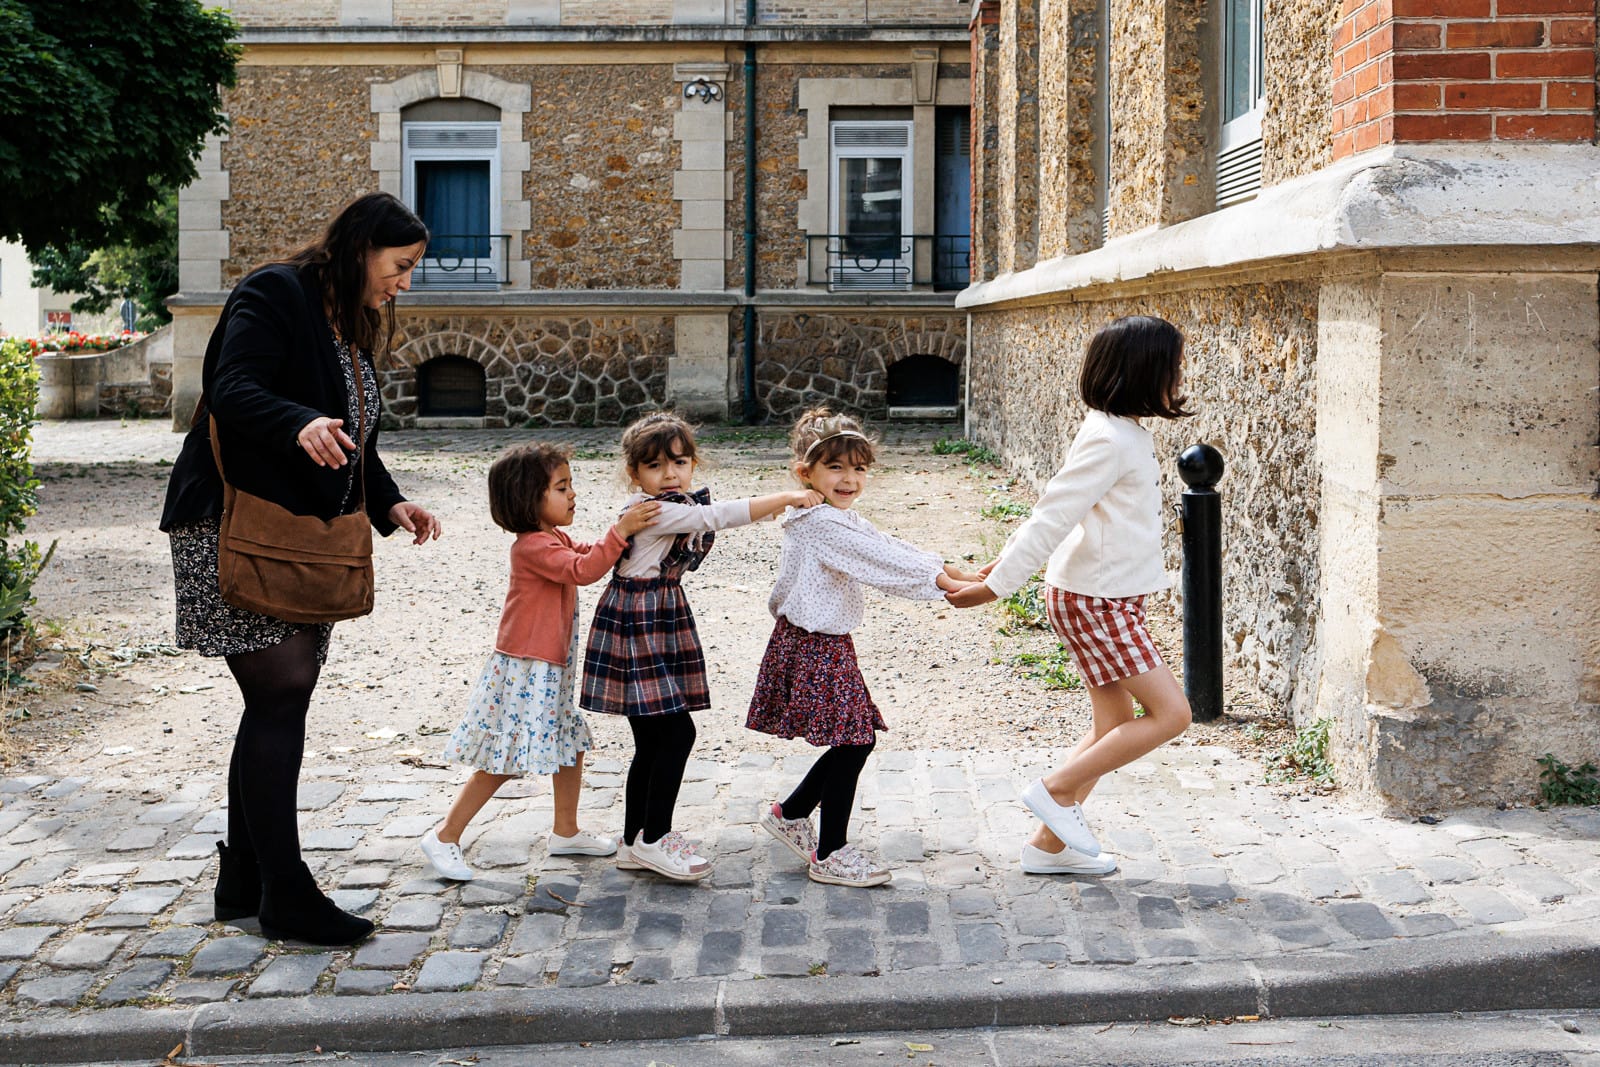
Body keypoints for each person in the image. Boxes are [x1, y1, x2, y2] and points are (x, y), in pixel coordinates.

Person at [159, 192, 442, 945]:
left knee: (275, 700)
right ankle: (284, 892)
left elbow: (355, 439)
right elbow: (231, 387)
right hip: (231, 523)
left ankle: (246, 877)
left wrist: (390, 504)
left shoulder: (343, 322)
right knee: (281, 691)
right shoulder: (274, 291)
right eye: (401, 265)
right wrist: (299, 421)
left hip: (296, 539)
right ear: (360, 248)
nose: (406, 283)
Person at [945, 315, 1194, 876]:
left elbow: (1067, 512)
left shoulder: (1118, 430)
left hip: (1105, 596)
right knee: (1172, 714)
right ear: (1142, 370)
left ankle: (1045, 850)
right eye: (1173, 366)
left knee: (1112, 723)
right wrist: (996, 585)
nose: (1180, 376)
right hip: (1098, 601)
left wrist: (1000, 564)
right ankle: (1055, 791)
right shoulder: (1111, 437)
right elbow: (1052, 515)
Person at [581, 413, 822, 882]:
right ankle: (655, 838)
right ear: (636, 475)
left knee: (651, 740)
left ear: (693, 463)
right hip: (641, 621)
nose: (670, 474)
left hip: (657, 614)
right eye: (655, 466)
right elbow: (717, 516)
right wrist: (788, 496)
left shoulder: (668, 502)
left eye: (679, 462)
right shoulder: (657, 510)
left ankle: (636, 840)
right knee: (675, 735)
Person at [746, 408, 976, 888]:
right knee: (854, 740)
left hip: (826, 644)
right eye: (836, 468)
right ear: (804, 473)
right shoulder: (820, 524)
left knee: (854, 738)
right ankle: (829, 853)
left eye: (859, 468)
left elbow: (886, 542)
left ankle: (791, 813)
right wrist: (940, 584)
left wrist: (951, 571)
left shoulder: (832, 516)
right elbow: (880, 560)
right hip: (814, 646)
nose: (849, 478)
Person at [418, 444, 661, 882]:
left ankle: (565, 831)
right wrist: (620, 531)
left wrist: (632, 537)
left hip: (551, 667)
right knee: (505, 757)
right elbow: (584, 569)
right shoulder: (532, 547)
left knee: (570, 742)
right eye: (561, 487)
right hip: (528, 669)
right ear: (528, 498)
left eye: (571, 485)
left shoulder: (555, 537)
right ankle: (445, 835)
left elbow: (591, 553)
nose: (572, 494)